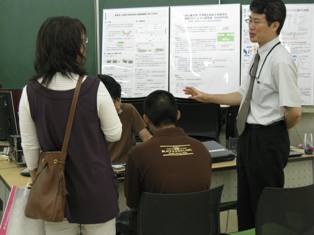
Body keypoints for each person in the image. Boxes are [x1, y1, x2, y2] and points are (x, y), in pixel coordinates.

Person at [184, 0, 302, 231]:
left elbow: (295, 112)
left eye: (256, 21)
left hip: (267, 139)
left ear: (275, 25)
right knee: (246, 204)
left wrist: (273, 131)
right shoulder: (260, 54)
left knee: (267, 209)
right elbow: (243, 95)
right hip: (249, 137)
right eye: (249, 20)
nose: (250, 26)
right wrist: (206, 97)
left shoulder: (281, 61)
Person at [19, 16, 122, 235]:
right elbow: (115, 134)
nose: (85, 48)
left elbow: (29, 148)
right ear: (75, 48)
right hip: (96, 188)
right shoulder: (95, 86)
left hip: (54, 193)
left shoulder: (29, 92)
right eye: (83, 42)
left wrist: (39, 177)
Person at [124, 90, 212, 234]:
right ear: (178, 114)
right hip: (196, 228)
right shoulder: (201, 149)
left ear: (145, 119)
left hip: (154, 228)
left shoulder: (138, 154)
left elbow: (132, 202)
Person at [98, 74, 152, 164]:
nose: (118, 106)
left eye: (118, 100)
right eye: (113, 102)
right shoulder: (87, 115)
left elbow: (146, 137)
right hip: (100, 168)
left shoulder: (128, 110)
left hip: (126, 167)